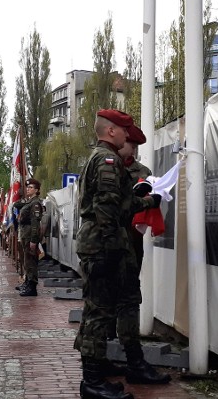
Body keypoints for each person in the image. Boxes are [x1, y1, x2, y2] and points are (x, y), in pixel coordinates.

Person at [73, 109, 164, 399]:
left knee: (97, 310)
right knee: (99, 313)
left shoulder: (101, 158)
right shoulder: (108, 160)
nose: (128, 135)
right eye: (125, 130)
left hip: (99, 242)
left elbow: (114, 203)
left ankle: (95, 375)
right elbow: (109, 210)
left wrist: (143, 199)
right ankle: (92, 382)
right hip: (103, 244)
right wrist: (112, 245)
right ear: (111, 131)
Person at [18, 178, 44, 297]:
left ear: (37, 190)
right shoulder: (29, 202)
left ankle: (32, 287)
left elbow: (35, 223)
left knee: (31, 261)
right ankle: (28, 282)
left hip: (30, 235)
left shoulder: (35, 203)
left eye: (31, 187)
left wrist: (34, 240)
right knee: (27, 261)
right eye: (27, 187)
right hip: (25, 234)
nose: (28, 189)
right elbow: (16, 205)